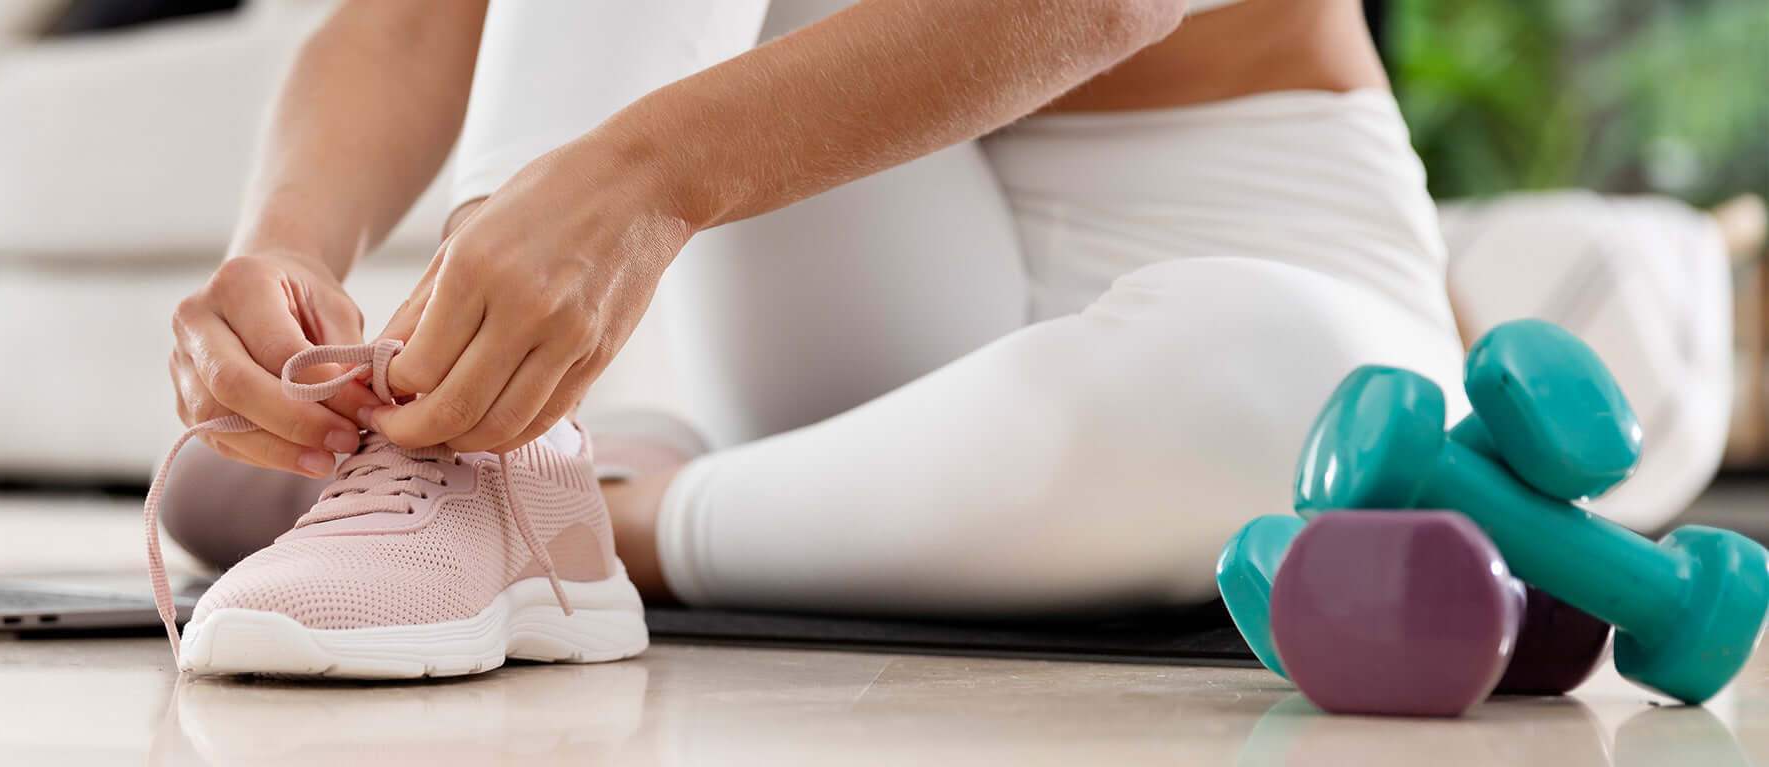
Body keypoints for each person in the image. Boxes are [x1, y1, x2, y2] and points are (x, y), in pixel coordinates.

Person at [143, 0, 1743, 678]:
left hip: (1235, 272)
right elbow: (427, 13)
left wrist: (642, 175)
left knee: (1297, 386)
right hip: (895, 272)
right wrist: (279, 249)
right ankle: (469, 461)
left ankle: (593, 517)